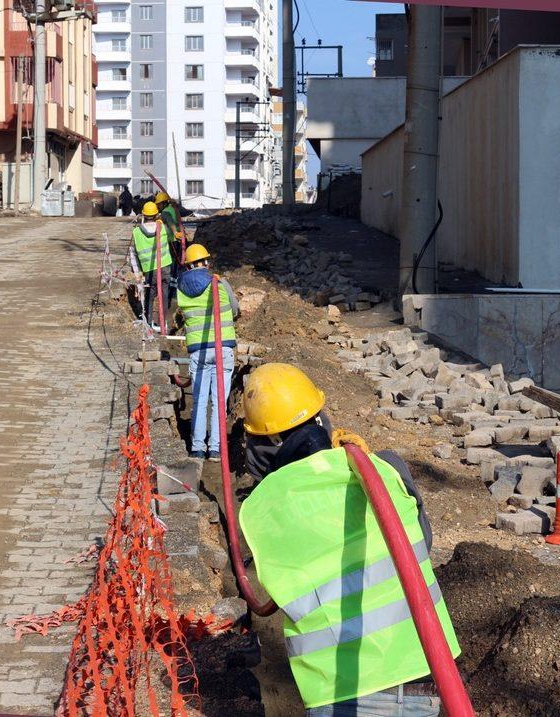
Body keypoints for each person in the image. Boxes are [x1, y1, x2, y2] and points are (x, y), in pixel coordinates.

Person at [239, 363, 461, 717]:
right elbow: (422, 542)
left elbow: (278, 587)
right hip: (424, 675)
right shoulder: (383, 468)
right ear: (320, 419)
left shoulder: (261, 509)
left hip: (342, 692)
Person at [177, 243, 239, 461]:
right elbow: (235, 309)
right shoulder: (219, 283)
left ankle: (197, 448)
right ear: (204, 262)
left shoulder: (180, 288)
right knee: (219, 401)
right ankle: (215, 448)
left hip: (198, 352)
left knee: (200, 400)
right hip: (222, 349)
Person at [131, 201, 178, 330]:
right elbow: (171, 238)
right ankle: (162, 322)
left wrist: (137, 272)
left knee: (150, 295)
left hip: (149, 270)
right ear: (157, 214)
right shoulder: (162, 227)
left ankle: (148, 321)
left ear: (143, 215)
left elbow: (133, 254)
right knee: (164, 294)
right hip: (165, 267)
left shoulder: (136, 232)